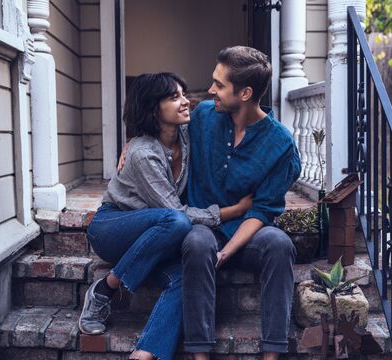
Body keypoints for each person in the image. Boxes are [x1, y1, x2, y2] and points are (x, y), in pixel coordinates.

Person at [78, 72, 253, 360]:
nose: (185, 102)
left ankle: (146, 352)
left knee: (186, 274)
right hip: (114, 227)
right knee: (177, 221)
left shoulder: (186, 133)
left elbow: (236, 110)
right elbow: (175, 212)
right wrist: (234, 210)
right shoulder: (143, 154)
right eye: (174, 97)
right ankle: (106, 288)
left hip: (157, 235)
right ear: (152, 107)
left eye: (183, 94)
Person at [181, 46, 302, 360]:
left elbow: (262, 210)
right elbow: (161, 129)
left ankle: (273, 354)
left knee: (279, 244)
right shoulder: (204, 115)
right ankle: (200, 355)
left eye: (219, 86)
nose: (211, 91)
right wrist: (131, 143)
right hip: (203, 224)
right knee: (195, 244)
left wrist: (226, 251)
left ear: (246, 92)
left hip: (247, 231)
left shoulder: (280, 143)